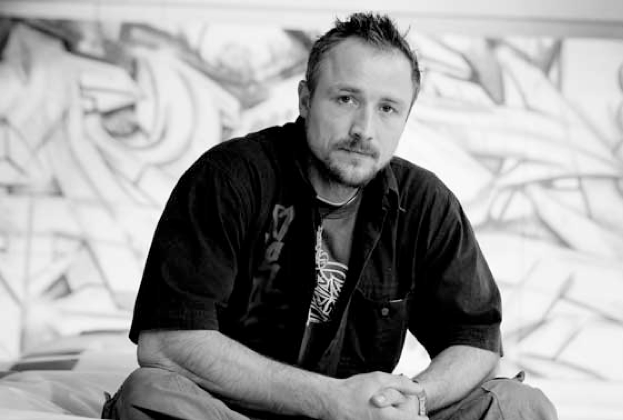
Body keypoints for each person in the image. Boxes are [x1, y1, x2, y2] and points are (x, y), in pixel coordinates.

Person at [103, 12, 558, 420]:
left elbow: (476, 340)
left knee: (521, 406)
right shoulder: (230, 179)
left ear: (405, 117)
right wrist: (331, 400)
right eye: (345, 99)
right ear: (306, 100)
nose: (364, 129)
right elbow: (167, 344)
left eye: (387, 108)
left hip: (367, 416)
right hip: (240, 412)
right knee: (149, 394)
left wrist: (413, 399)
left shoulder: (425, 202)